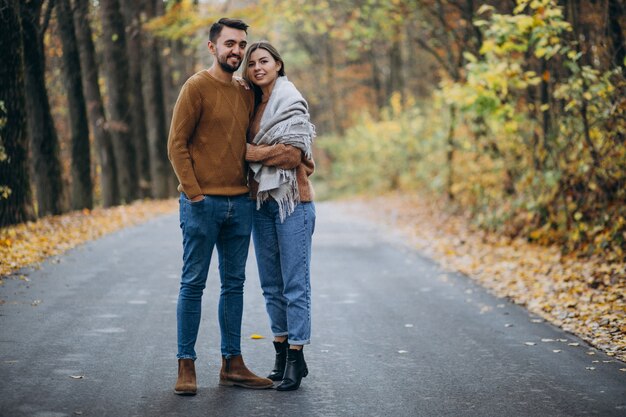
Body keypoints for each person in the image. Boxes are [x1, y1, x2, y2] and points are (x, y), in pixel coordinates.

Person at [167, 18, 273, 395]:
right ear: (212, 47)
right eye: (230, 44)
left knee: (234, 285)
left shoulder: (246, 92)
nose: (237, 52)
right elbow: (177, 144)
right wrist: (194, 194)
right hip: (203, 204)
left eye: (242, 45)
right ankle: (186, 366)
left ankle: (233, 364)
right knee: (193, 283)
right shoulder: (196, 87)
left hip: (239, 204)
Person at [242, 41, 316, 391]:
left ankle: (297, 357)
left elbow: (292, 155)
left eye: (264, 61)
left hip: (292, 201)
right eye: (252, 62)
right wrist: (263, 153)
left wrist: (251, 152)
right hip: (260, 202)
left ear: (278, 64)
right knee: (271, 284)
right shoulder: (250, 105)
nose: (258, 67)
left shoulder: (290, 99)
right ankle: (280, 349)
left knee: (294, 284)